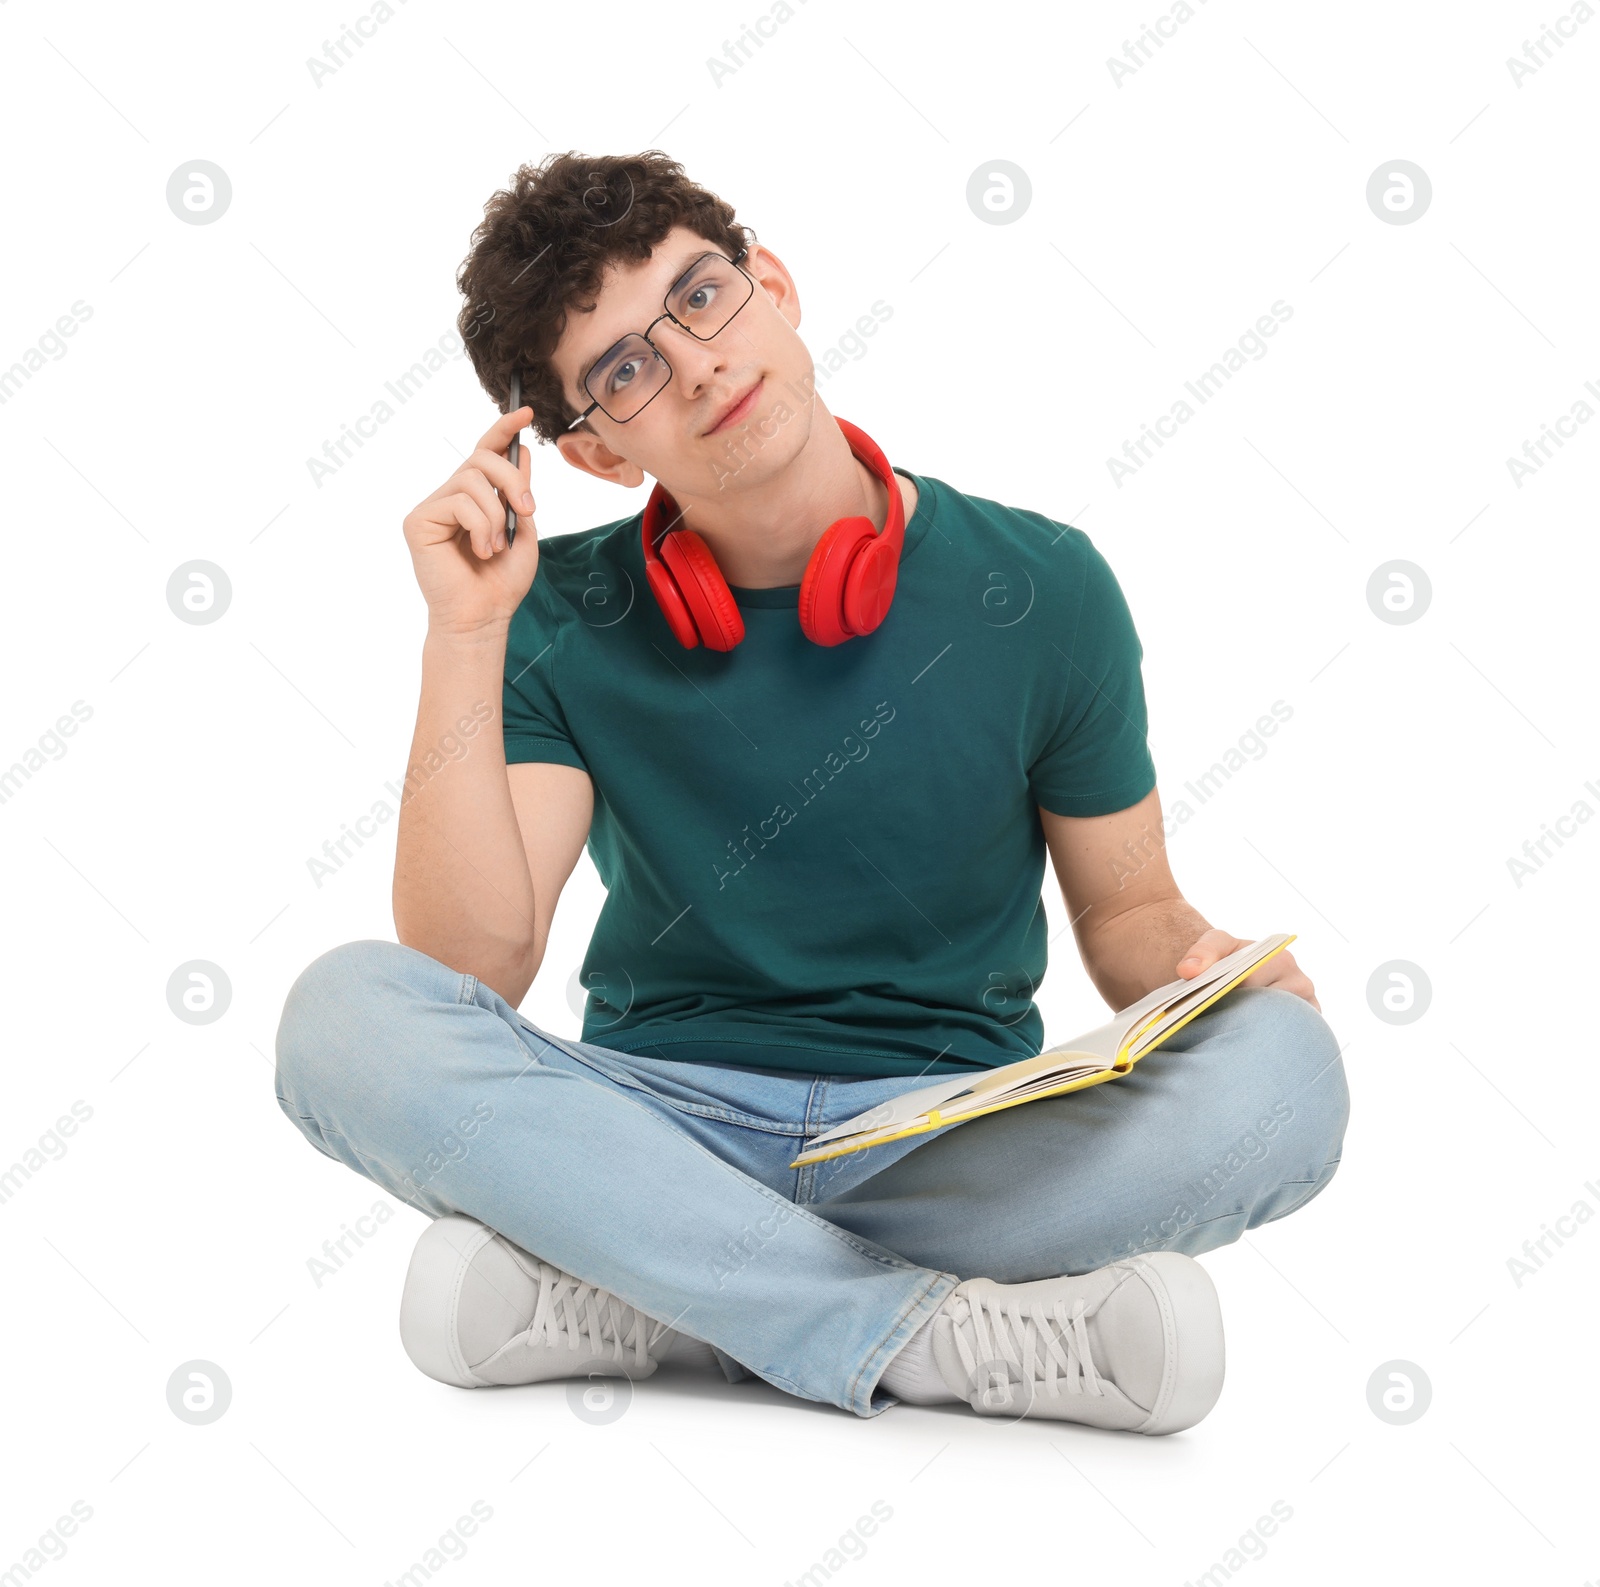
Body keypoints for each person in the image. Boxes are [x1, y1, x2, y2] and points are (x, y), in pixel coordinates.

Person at [274, 150, 1349, 1431]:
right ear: (602, 453)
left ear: (771, 286)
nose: (695, 363)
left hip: (948, 1141)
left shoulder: (1046, 585)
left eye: (700, 298)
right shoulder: (555, 612)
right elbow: (473, 964)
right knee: (341, 1015)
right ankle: (924, 1334)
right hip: (656, 1123)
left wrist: (1203, 966)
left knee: (1288, 1073)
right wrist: (463, 636)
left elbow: (1127, 919)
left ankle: (663, 1288)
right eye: (624, 370)